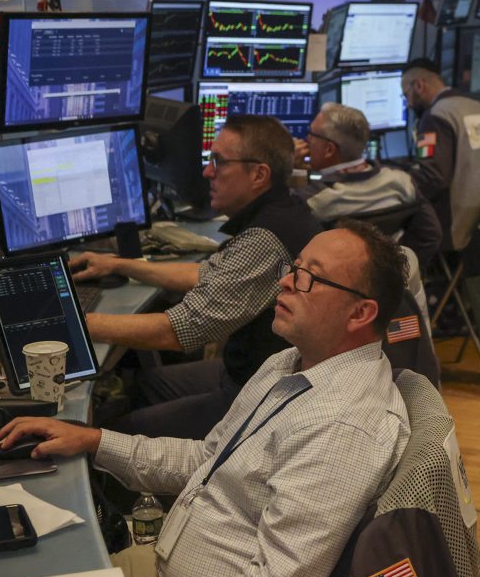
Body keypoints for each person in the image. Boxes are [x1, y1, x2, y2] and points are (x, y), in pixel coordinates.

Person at [0, 221, 411, 577]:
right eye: (294, 267)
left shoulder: (342, 427)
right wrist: (94, 441)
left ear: (360, 313)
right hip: (167, 568)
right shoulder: (290, 363)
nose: (284, 282)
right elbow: (208, 460)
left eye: (309, 278)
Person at [70, 115, 322, 438]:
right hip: (255, 374)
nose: (207, 172)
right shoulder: (281, 212)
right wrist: (120, 265)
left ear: (259, 175)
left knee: (118, 431)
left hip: (259, 398)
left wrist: (78, 325)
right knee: (144, 385)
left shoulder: (265, 239)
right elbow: (208, 274)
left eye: (219, 162)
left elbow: (178, 331)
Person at [293, 102, 441, 265]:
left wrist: (289, 168)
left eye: (311, 134)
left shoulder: (314, 199)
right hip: (389, 274)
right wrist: (399, 271)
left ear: (329, 149)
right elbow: (431, 234)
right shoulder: (402, 182)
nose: (307, 139)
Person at [402, 58, 480, 252]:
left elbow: (433, 177)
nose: (408, 104)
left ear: (419, 85)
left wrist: (396, 182)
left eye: (406, 94)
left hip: (455, 224)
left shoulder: (437, 115)